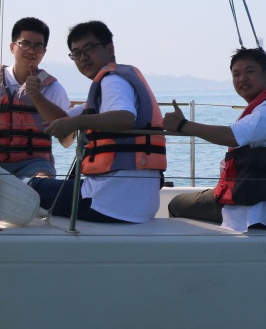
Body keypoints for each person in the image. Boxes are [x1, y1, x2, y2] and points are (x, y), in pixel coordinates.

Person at [164, 47, 266, 233]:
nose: (242, 78)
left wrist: (183, 125)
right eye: (236, 74)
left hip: (258, 209)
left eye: (250, 71)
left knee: (176, 204)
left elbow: (234, 136)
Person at [29, 21, 166, 223]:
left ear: (109, 49)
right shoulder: (110, 85)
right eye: (76, 53)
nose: (83, 57)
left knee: (30, 187)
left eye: (89, 49)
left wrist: (76, 123)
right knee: (43, 186)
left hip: (109, 203)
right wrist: (35, 95)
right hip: (139, 206)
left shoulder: (112, 81)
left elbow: (125, 117)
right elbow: (62, 123)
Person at [0, 17, 72, 178]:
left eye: (38, 46)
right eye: (25, 44)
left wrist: (36, 96)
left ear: (43, 52)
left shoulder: (53, 88)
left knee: (41, 181)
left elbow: (67, 141)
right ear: (12, 47)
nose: (31, 51)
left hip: (36, 164)